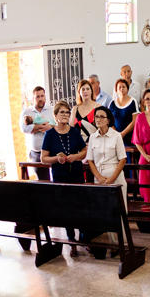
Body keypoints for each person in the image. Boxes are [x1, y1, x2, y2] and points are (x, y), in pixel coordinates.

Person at [40, 100, 88, 253]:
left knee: (80, 206)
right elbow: (43, 158)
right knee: (67, 209)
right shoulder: (50, 134)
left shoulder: (74, 131)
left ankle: (84, 238)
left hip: (77, 174)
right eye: (62, 112)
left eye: (67, 112)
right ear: (55, 116)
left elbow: (85, 151)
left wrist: (76, 156)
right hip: (60, 176)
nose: (66, 115)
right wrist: (57, 158)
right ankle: (71, 241)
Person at [85, 106, 128, 246]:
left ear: (108, 120)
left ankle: (125, 244)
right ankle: (114, 244)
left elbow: (122, 159)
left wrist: (112, 178)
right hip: (100, 177)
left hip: (115, 176)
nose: (98, 119)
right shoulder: (92, 137)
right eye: (96, 116)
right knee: (107, 212)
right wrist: (98, 177)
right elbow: (90, 160)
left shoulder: (116, 136)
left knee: (120, 211)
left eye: (102, 117)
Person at [19, 85, 53, 181]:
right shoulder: (27, 112)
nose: (40, 99)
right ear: (33, 98)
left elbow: (57, 126)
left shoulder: (51, 110)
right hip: (37, 153)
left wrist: (50, 127)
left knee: (56, 180)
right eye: (37, 97)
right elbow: (23, 128)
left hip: (53, 151)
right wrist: (41, 127)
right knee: (43, 182)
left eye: (42, 96)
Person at [108, 78, 138, 157]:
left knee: (129, 160)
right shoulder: (112, 103)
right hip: (115, 137)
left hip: (129, 137)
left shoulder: (133, 101)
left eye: (123, 87)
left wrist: (123, 133)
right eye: (119, 87)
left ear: (127, 89)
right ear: (116, 90)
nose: (121, 89)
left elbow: (135, 121)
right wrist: (117, 134)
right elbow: (108, 121)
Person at [71, 79, 99, 145]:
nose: (85, 91)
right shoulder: (75, 109)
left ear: (91, 91)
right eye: (83, 89)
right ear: (79, 92)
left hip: (94, 145)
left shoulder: (98, 107)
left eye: (87, 89)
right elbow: (71, 129)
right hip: (78, 147)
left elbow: (102, 130)